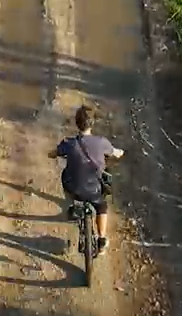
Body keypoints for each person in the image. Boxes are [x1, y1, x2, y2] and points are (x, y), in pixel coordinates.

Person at [49, 104, 124, 256]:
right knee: (102, 206)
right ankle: (101, 239)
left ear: (77, 123)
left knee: (65, 174)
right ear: (92, 124)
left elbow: (53, 153)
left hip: (74, 188)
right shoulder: (102, 142)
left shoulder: (69, 143)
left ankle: (72, 204)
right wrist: (120, 152)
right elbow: (116, 153)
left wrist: (51, 153)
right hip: (94, 190)